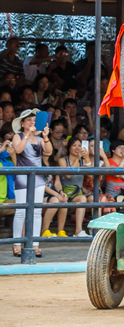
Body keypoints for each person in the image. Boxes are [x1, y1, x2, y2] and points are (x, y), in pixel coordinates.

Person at [11, 109, 52, 257]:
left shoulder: (40, 139)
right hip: (23, 177)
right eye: (29, 120)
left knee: (36, 212)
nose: (32, 122)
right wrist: (28, 135)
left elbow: (49, 152)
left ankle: (35, 244)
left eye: (34, 120)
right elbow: (18, 149)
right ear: (22, 123)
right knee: (21, 211)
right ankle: (16, 243)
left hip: (38, 178)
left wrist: (46, 137)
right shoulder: (18, 136)